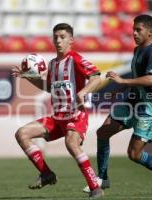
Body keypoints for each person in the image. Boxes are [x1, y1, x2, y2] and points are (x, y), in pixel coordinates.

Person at [83, 14, 152, 195]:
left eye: (138, 29)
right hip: (131, 101)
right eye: (133, 29)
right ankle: (102, 178)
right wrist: (121, 89)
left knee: (134, 154)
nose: (134, 33)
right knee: (102, 132)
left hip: (148, 107)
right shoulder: (138, 50)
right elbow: (137, 79)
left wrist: (122, 82)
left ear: (150, 32)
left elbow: (150, 79)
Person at [12, 23, 104, 198]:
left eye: (62, 37)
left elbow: (96, 78)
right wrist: (27, 76)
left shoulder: (75, 59)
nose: (58, 40)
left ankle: (95, 188)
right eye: (55, 37)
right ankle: (46, 174)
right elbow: (49, 87)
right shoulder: (53, 64)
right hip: (57, 117)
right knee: (21, 134)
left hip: (76, 115)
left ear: (71, 40)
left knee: (71, 143)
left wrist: (83, 92)